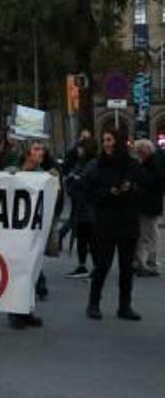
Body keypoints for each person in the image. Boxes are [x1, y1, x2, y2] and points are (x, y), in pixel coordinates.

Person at [85, 129, 144, 321]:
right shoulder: (97, 166)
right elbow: (90, 193)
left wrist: (131, 189)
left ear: (118, 141)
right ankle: (93, 304)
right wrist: (110, 192)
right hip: (106, 222)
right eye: (104, 140)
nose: (107, 144)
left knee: (126, 268)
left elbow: (145, 189)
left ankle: (124, 306)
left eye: (110, 140)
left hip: (128, 222)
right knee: (102, 265)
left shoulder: (132, 165)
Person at [5, 142, 49, 330]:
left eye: (42, 149)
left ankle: (26, 310)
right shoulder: (12, 171)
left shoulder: (42, 175)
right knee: (16, 269)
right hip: (13, 229)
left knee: (31, 270)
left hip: (31, 230)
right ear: (28, 153)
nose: (41, 152)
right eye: (37, 149)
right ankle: (14, 312)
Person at [64, 137, 98, 278]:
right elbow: (72, 180)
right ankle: (82, 265)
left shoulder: (92, 164)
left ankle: (97, 266)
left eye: (81, 147)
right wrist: (74, 180)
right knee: (82, 238)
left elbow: (81, 181)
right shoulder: (81, 163)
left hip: (89, 208)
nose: (79, 150)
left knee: (91, 239)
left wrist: (75, 179)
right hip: (81, 207)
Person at [133, 139, 162, 277]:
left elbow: (151, 182)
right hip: (149, 204)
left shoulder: (152, 164)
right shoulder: (152, 162)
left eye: (140, 151)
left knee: (147, 235)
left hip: (148, 204)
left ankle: (148, 264)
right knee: (148, 234)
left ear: (147, 150)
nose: (139, 154)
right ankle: (145, 262)